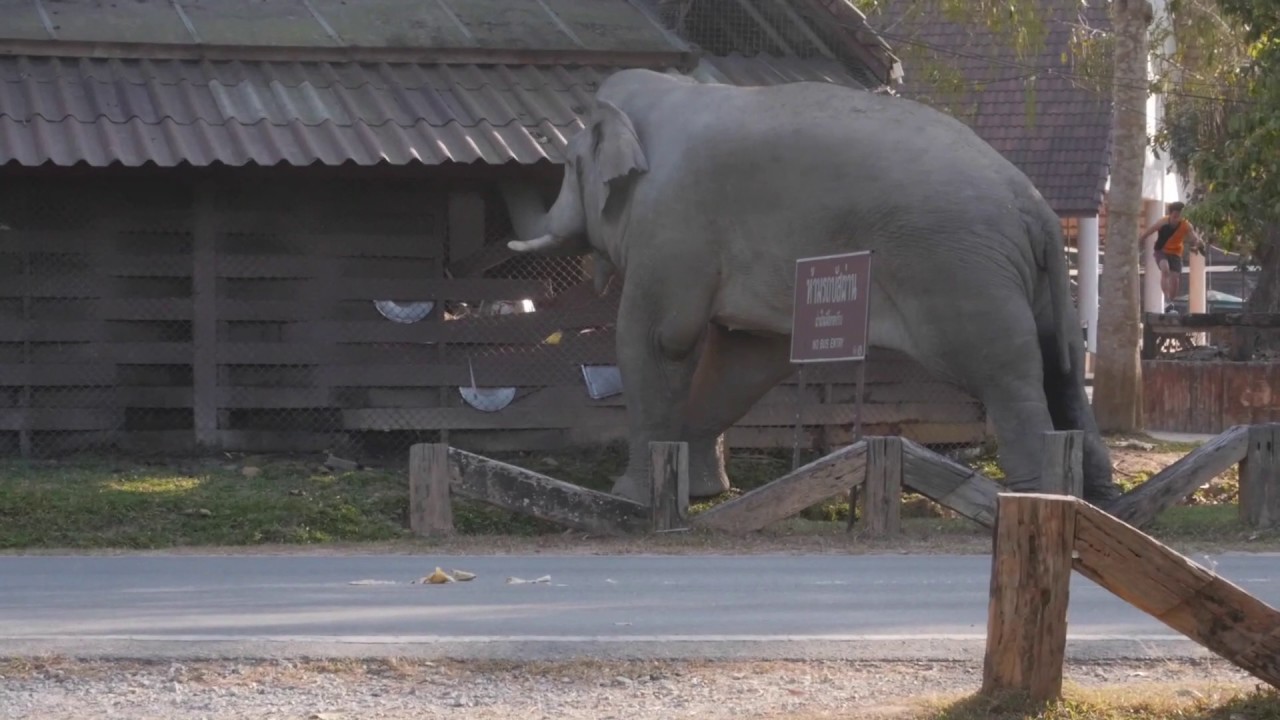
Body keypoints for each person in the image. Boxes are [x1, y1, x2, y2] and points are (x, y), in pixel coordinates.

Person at [1138, 201, 1206, 313]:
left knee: (1175, 278)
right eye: (1174, 216)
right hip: (1161, 250)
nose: (1176, 219)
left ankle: (1171, 300)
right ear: (1170, 214)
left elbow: (1194, 237)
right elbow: (1151, 230)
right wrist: (1141, 239)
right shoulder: (1163, 222)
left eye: (1179, 216)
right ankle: (1165, 298)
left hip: (1176, 253)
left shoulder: (1186, 224)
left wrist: (1199, 243)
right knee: (1165, 269)